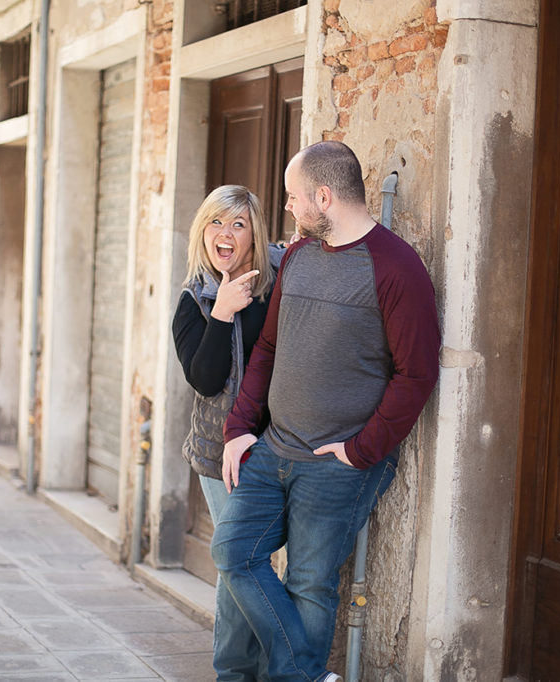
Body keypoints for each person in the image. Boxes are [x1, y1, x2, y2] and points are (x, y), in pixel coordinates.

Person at [211, 141, 441, 682]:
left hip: (340, 462)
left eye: (294, 197)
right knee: (234, 554)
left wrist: (360, 452)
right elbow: (268, 348)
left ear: (324, 196)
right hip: (275, 449)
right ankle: (308, 677)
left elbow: (417, 374)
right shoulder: (296, 256)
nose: (287, 207)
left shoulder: (396, 268)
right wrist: (241, 428)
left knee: (311, 582)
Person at [172, 184, 284, 681]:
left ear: (253, 234)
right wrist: (221, 311)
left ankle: (256, 667)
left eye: (239, 224)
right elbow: (205, 378)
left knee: (251, 559)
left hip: (280, 448)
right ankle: (236, 672)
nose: (227, 233)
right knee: (239, 557)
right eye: (217, 223)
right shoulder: (193, 301)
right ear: (204, 232)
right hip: (220, 456)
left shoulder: (274, 284)